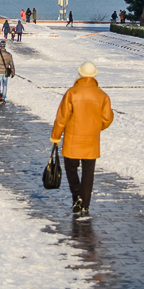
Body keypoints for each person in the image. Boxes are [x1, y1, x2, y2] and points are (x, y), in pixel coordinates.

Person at [50, 62, 113, 215]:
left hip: (72, 138)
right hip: (91, 140)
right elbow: (107, 118)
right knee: (88, 172)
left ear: (80, 74)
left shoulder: (72, 93)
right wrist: (96, 127)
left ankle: (76, 193)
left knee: (70, 167)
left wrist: (56, 136)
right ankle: (85, 204)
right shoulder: (102, 95)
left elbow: (62, 118)